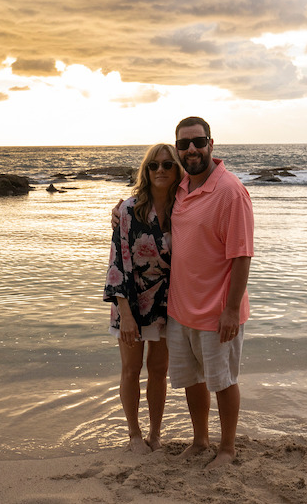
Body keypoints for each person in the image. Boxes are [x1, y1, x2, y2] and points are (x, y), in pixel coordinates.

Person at [112, 117, 254, 469]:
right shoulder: (161, 199)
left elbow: (241, 253)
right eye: (184, 145)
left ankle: (219, 447)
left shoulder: (220, 193)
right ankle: (180, 438)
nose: (191, 150)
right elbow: (123, 250)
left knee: (214, 379)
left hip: (194, 308)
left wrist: (232, 308)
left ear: (210, 144)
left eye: (198, 142)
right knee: (177, 377)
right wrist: (118, 211)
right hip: (157, 307)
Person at [103, 143, 184, 454]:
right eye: (154, 165)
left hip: (168, 303)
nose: (160, 170)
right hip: (131, 302)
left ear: (177, 170)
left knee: (159, 371)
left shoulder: (185, 209)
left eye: (167, 165)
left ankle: (155, 434)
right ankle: (134, 434)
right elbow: (117, 260)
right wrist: (125, 311)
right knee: (131, 369)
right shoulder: (128, 210)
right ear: (146, 171)